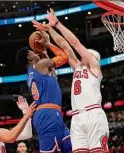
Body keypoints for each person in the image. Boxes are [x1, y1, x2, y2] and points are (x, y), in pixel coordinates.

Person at [32, 9, 110, 153]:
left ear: (92, 57)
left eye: (86, 55)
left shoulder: (94, 68)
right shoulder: (77, 68)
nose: (81, 57)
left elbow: (74, 42)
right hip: (77, 117)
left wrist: (57, 24)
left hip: (93, 114)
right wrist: (50, 32)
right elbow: (65, 47)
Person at [15, 32, 72, 153]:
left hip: (51, 114)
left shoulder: (32, 73)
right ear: (29, 58)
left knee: (70, 147)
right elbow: (63, 57)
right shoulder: (39, 65)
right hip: (48, 115)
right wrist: (48, 44)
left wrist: (44, 53)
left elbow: (53, 75)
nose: (34, 52)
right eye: (32, 52)